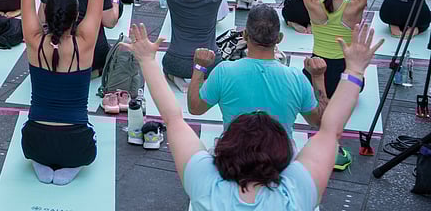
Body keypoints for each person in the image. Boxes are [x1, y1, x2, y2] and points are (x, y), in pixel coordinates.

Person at [124, 20, 380, 211]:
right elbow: (329, 129)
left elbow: (174, 117)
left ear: (224, 146)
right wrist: (355, 69)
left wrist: (147, 61)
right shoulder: (295, 195)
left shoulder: (206, 188)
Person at [19, 0, 117, 183]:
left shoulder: (34, 41)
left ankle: (43, 164)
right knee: (85, 145)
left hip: (34, 141)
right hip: (76, 144)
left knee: (42, 142)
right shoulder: (84, 43)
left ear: (47, 15)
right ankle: (66, 167)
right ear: (77, 17)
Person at [187, 5, 327, 135]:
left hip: (231, 158)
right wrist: (318, 77)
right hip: (280, 158)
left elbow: (195, 108)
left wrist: (199, 67)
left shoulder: (224, 72)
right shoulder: (296, 78)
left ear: (245, 35)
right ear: (279, 38)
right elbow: (319, 122)